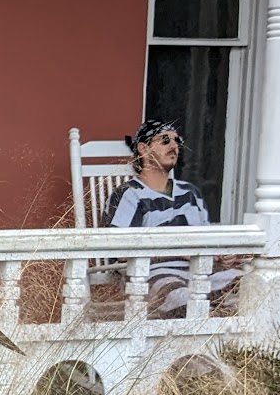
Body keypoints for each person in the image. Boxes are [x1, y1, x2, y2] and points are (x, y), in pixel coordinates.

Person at [98, 120, 241, 317]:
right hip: (152, 273)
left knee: (247, 285)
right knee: (180, 296)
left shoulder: (190, 193)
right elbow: (118, 249)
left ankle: (223, 331)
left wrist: (221, 255)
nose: (174, 146)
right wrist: (179, 251)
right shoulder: (129, 195)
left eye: (177, 141)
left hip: (199, 271)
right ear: (143, 149)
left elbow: (208, 239)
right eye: (165, 140)